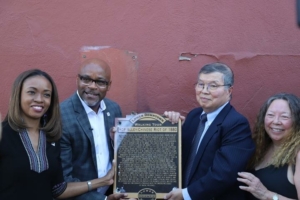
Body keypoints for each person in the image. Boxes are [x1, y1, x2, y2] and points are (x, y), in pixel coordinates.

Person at [0, 69, 128, 200]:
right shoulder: (2, 134)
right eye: (31, 92)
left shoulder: (51, 137)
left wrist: (104, 183)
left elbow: (58, 189)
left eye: (46, 95)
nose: (39, 99)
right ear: (18, 94)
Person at [164, 62, 255, 200]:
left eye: (213, 86)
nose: (204, 91)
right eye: (201, 84)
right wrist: (171, 129)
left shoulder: (236, 124)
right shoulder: (194, 116)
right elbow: (177, 157)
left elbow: (224, 173)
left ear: (229, 91)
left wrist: (186, 194)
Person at [60, 58, 122, 200]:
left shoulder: (114, 109)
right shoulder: (61, 116)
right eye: (86, 79)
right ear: (77, 80)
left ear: (109, 85)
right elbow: (64, 182)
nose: (92, 86)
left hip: (113, 192)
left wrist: (169, 121)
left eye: (100, 82)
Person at [238, 93, 300, 200]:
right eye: (270, 115)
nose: (275, 121)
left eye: (284, 117)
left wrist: (267, 195)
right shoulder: (259, 148)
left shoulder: (298, 154)